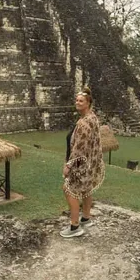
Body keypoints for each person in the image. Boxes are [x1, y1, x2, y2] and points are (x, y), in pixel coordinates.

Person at [61, 87, 105, 238]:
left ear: (88, 103)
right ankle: (86, 218)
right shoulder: (92, 117)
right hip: (90, 163)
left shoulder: (84, 123)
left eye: (81, 101)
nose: (77, 103)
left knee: (68, 190)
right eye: (77, 100)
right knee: (86, 189)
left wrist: (68, 165)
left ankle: (74, 226)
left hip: (81, 164)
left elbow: (79, 148)